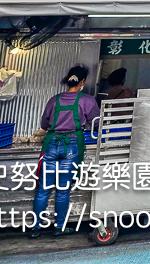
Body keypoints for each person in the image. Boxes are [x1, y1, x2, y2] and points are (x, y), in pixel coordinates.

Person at [30, 65, 100, 238]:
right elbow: (97, 123)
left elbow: (44, 125)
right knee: (63, 190)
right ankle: (59, 227)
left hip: (51, 145)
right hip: (72, 147)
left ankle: (35, 228)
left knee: (43, 189)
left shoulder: (54, 100)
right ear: (82, 81)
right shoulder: (88, 100)